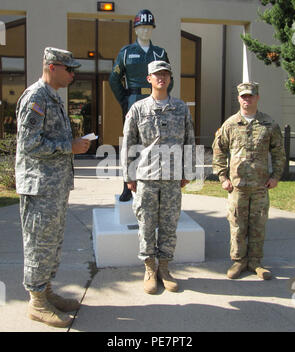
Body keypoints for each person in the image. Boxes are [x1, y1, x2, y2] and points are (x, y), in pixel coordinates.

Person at [15, 47, 91, 327]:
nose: (73, 74)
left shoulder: (54, 98)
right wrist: (68, 147)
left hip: (53, 186)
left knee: (51, 245)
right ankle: (37, 302)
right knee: (38, 245)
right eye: (69, 69)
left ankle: (45, 292)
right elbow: (29, 144)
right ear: (52, 67)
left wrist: (72, 146)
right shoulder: (36, 97)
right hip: (40, 188)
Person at [121, 60, 195, 294]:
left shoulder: (181, 108)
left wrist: (188, 171)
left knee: (169, 224)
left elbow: (189, 141)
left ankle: (165, 267)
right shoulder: (138, 109)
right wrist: (128, 175)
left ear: (170, 79)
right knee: (146, 224)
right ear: (149, 79)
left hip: (173, 178)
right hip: (146, 177)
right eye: (156, 74)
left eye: (165, 74)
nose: (161, 78)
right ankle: (150, 269)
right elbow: (128, 144)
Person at [212, 82, 286, 280]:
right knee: (237, 224)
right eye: (243, 96)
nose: (247, 99)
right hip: (237, 187)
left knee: (258, 224)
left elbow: (279, 153)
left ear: (257, 97)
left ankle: (255, 262)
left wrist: (275, 176)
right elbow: (219, 152)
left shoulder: (269, 124)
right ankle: (239, 261)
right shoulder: (230, 124)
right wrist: (223, 177)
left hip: (261, 186)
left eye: (251, 96)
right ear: (238, 99)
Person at [109, 9, 173, 202]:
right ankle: (127, 186)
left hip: (156, 101)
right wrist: (124, 99)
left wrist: (164, 98)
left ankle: (156, 184)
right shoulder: (127, 52)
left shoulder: (159, 52)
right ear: (135, 30)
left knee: (156, 141)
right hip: (134, 100)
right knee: (131, 143)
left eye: (148, 27)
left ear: (152, 29)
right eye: (141, 28)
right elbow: (114, 79)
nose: (145, 31)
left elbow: (170, 77)